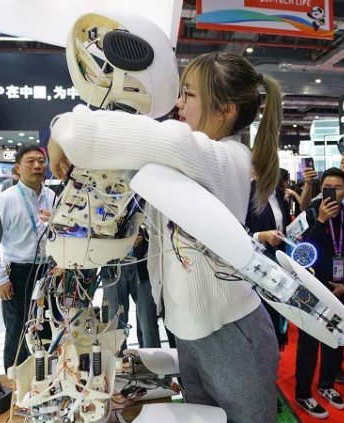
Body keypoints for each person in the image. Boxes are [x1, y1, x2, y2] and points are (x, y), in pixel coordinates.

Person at [48, 52, 282, 423]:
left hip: (230, 334)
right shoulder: (197, 159)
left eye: (188, 94)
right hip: (190, 329)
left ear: (226, 110)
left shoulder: (223, 158)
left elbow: (94, 133)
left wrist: (61, 128)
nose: (178, 103)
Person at [294, 167, 344, 419]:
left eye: (338, 188)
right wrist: (321, 221)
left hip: (338, 289)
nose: (333, 192)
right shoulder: (310, 214)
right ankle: (303, 392)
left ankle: (326, 385)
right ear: (321, 188)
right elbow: (301, 253)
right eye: (328, 187)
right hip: (311, 290)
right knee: (308, 343)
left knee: (335, 339)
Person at [0, 146, 56, 372]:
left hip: (47, 273)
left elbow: (59, 235)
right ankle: (14, 385)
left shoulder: (51, 196)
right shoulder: (5, 200)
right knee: (17, 333)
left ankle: (44, 382)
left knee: (46, 330)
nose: (37, 166)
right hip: (18, 274)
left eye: (41, 161)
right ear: (17, 168)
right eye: (31, 161)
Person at [245, 168, 292, 351]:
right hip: (256, 267)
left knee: (275, 321)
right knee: (262, 322)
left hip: (278, 264)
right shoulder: (248, 194)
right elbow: (237, 230)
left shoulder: (277, 194)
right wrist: (260, 236)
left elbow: (284, 224)